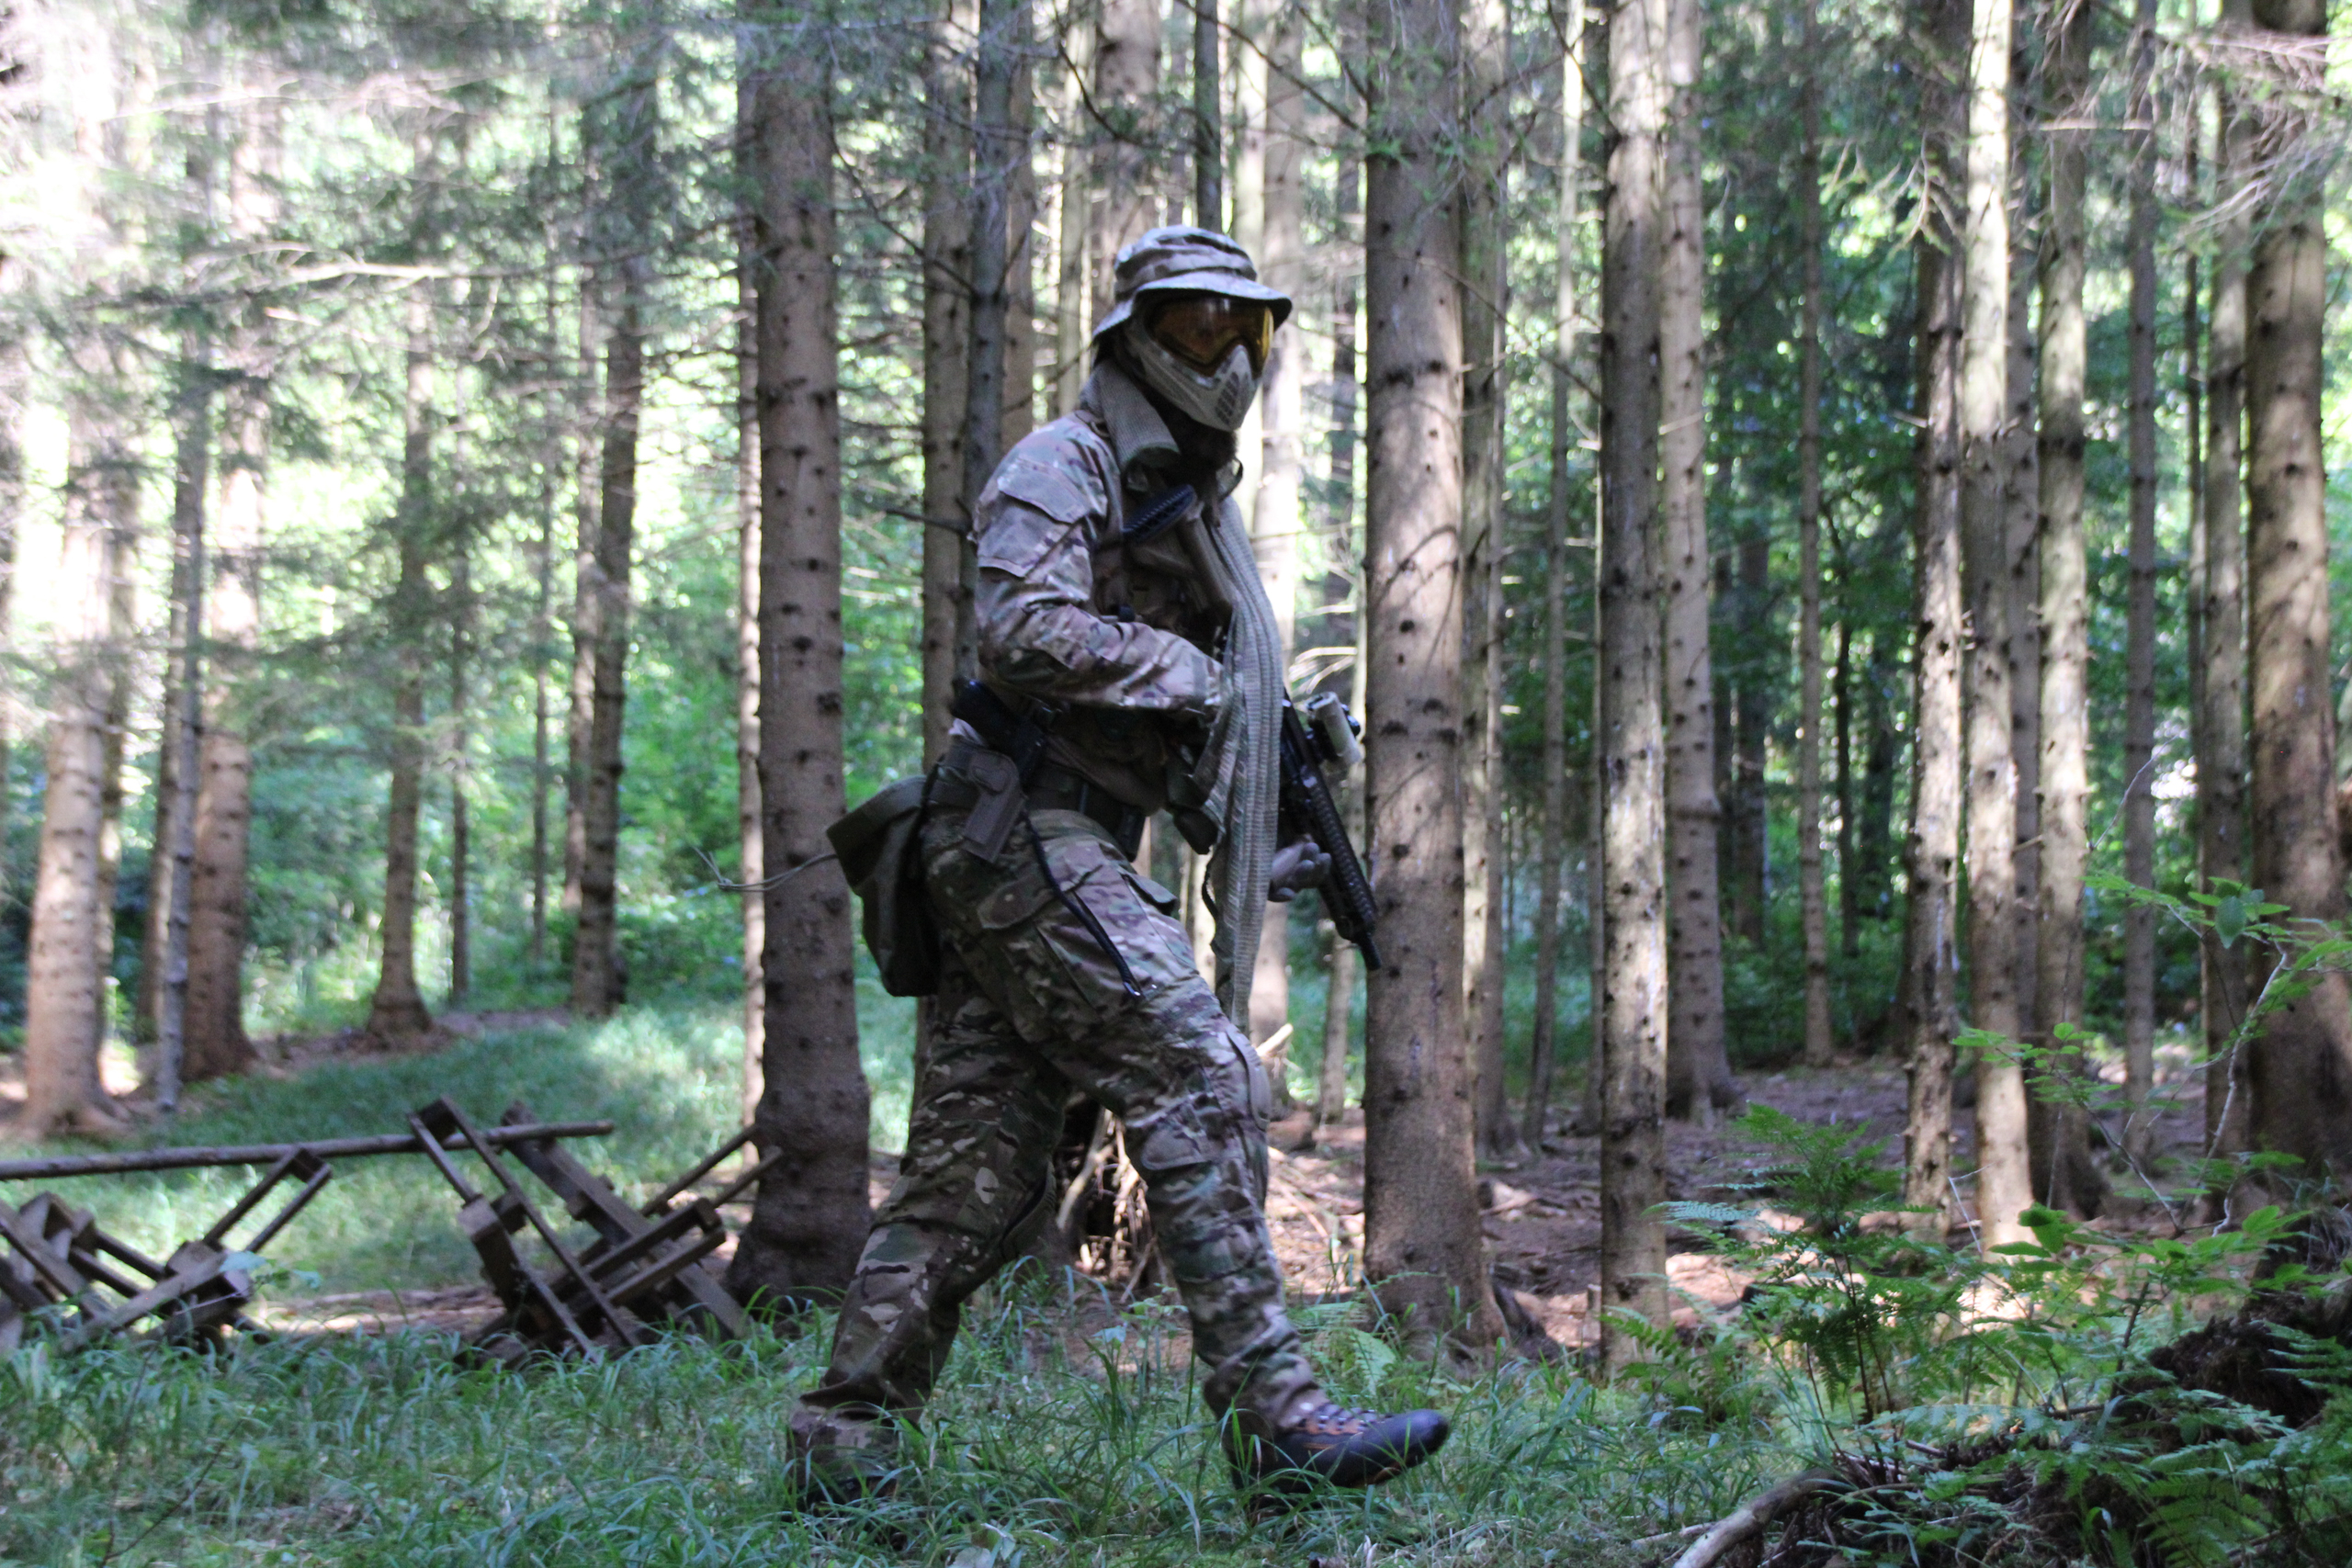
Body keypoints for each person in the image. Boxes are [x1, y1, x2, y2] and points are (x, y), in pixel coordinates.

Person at [787, 227, 1450, 1501]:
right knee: (1201, 1070)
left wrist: (1257, 813)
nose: (1225, 353)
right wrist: (1210, 683)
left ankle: (844, 1445)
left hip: (1052, 846)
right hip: (1018, 833)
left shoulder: (1193, 508)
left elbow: (1157, 739)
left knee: (973, 1183)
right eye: (1196, 325)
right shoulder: (1069, 459)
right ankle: (1278, 1425)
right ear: (1136, 339)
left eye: (1246, 330)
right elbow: (1024, 630)